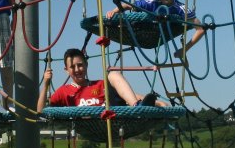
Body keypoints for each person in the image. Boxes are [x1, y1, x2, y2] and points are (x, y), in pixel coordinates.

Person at [106, 0, 205, 58]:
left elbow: (200, 29)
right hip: (143, 31)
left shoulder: (181, 9)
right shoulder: (152, 1)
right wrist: (114, 11)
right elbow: (128, 5)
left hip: (160, 34)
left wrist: (184, 49)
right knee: (118, 22)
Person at [37, 48, 165, 112]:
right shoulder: (64, 91)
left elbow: (128, 94)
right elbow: (40, 111)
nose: (77, 70)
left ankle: (138, 107)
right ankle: (138, 107)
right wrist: (46, 84)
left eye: (80, 65)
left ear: (86, 65)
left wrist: (157, 103)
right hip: (88, 125)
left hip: (109, 117)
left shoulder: (99, 85)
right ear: (66, 70)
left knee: (113, 75)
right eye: (72, 67)